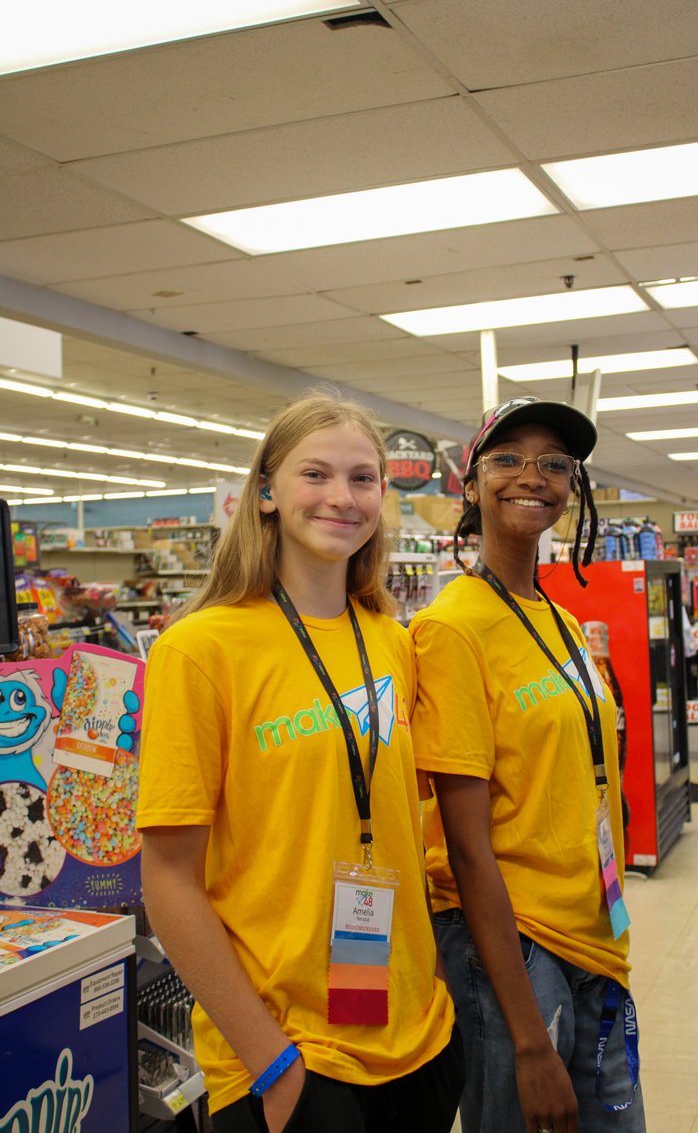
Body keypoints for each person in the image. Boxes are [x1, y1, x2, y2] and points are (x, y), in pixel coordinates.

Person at [137, 394, 462, 1133]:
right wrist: (273, 1065)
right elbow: (168, 879)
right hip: (290, 1059)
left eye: (364, 478)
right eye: (315, 474)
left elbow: (402, 827)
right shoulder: (200, 650)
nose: (342, 498)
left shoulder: (390, 640)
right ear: (265, 491)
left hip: (420, 1039)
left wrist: (437, 989)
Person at [410, 396, 645, 1133]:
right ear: (470, 486)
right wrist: (527, 1041)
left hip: (591, 928)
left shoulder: (563, 621)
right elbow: (467, 846)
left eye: (553, 463)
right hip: (515, 946)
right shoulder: (449, 630)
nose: (531, 477)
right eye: (507, 460)